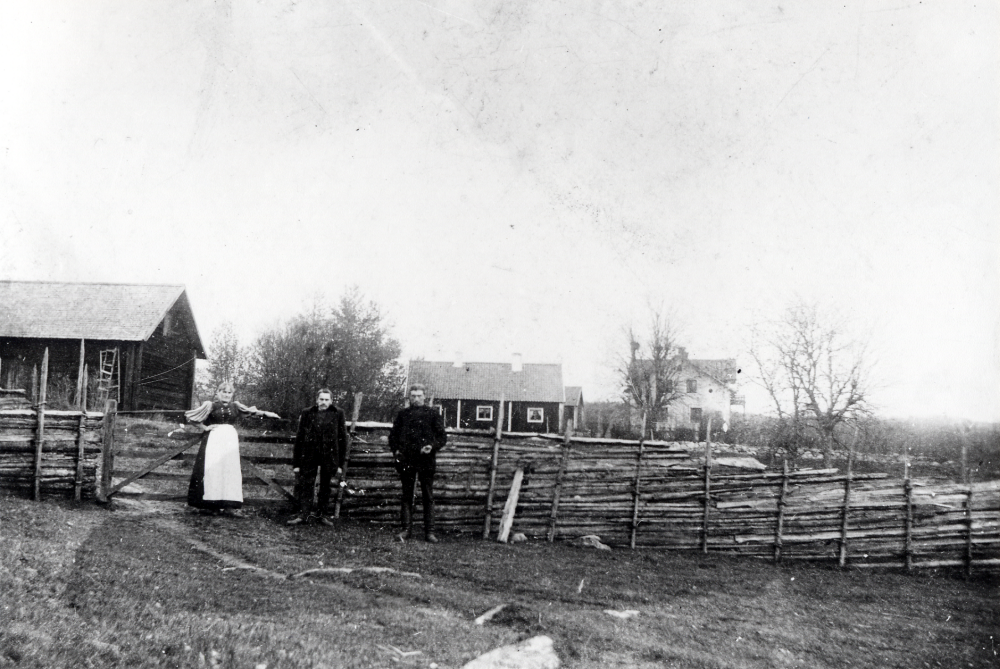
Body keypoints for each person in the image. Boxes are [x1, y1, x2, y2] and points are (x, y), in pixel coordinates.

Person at [185, 381, 279, 515]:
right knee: (213, 470)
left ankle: (229, 505)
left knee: (230, 471)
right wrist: (205, 427)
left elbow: (252, 412)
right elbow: (191, 417)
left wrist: (267, 414)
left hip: (229, 441)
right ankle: (211, 505)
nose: (226, 395)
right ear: (218, 392)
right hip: (214, 440)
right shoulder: (210, 405)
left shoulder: (236, 406)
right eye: (224, 392)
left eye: (229, 392)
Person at [388, 383, 447, 542]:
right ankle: (406, 530)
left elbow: (442, 437)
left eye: (419, 396)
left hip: (426, 460)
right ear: (409, 397)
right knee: (407, 495)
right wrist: (396, 450)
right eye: (413, 396)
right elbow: (393, 436)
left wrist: (432, 446)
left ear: (424, 397)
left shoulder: (433, 414)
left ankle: (430, 532)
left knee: (428, 495)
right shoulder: (403, 414)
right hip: (407, 460)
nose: (416, 399)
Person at [287, 388, 349, 526]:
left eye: (327, 400)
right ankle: (304, 515)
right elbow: (300, 438)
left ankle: (322, 515)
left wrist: (339, 464)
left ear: (331, 401)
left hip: (329, 456)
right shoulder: (307, 412)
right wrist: (296, 463)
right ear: (316, 400)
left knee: (325, 487)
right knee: (306, 484)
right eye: (321, 399)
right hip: (310, 455)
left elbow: (342, 439)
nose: (323, 402)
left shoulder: (338, 413)